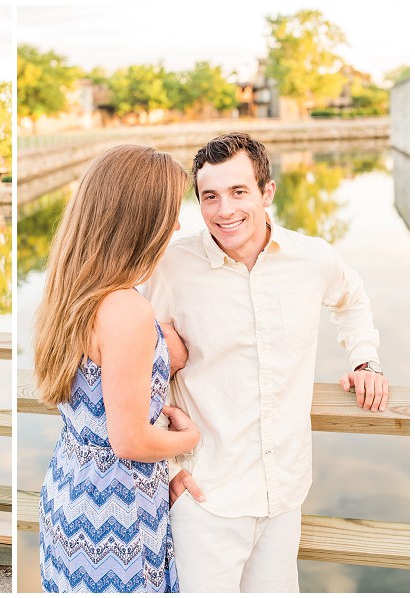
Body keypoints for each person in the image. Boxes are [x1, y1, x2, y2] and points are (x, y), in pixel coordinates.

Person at [141, 132, 389, 592]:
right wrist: (170, 472)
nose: (224, 210)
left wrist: (365, 360)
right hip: (204, 495)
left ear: (267, 192)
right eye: (209, 197)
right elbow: (136, 364)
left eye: (239, 192)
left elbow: (352, 298)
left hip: (285, 491)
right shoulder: (170, 266)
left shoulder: (311, 259)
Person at [35, 145, 200, 593]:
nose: (179, 225)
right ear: (141, 221)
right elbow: (130, 441)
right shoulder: (127, 309)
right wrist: (189, 439)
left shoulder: (73, 292)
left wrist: (163, 348)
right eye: (171, 214)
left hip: (70, 491)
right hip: (115, 515)